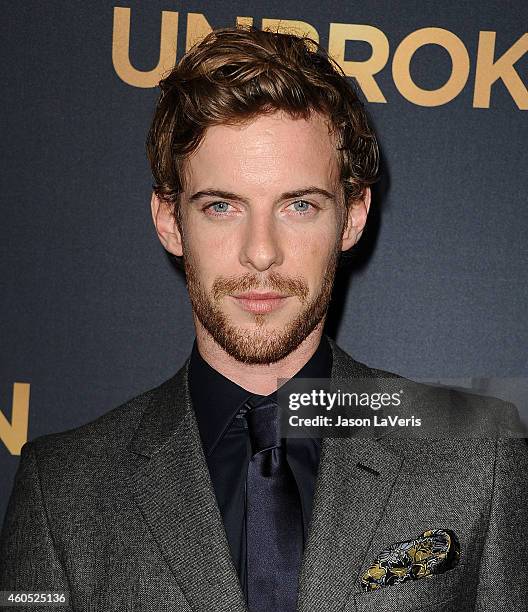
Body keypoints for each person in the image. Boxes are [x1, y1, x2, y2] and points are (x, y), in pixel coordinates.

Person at [1, 25, 527, 612]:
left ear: (352, 216)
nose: (261, 252)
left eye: (298, 205)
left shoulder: (478, 454)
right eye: (222, 206)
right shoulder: (63, 488)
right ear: (170, 220)